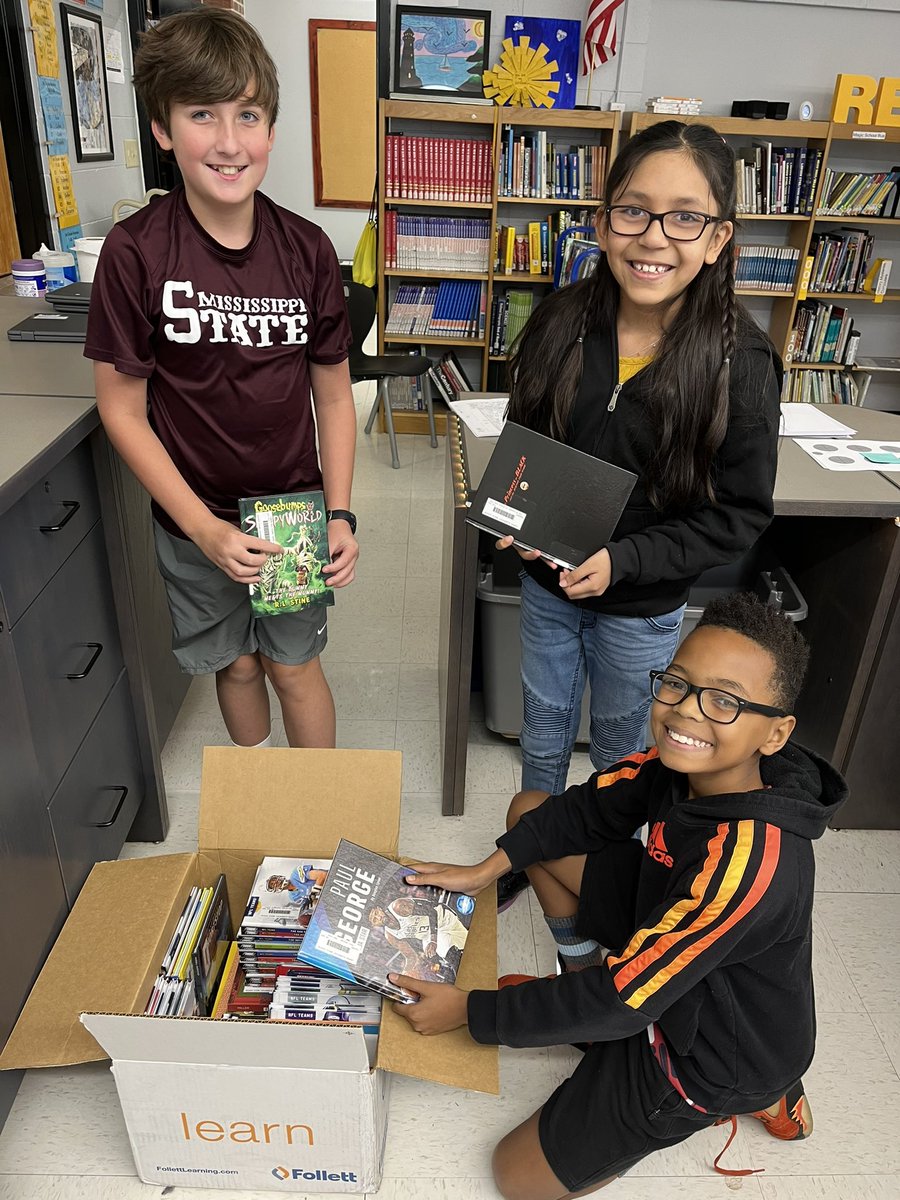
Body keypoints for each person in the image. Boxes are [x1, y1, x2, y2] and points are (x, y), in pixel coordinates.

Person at [389, 593, 847, 1200]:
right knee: (534, 814)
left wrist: (469, 1013)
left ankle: (762, 1093)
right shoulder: (676, 765)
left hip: (713, 1053)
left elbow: (625, 998)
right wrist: (483, 871)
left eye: (725, 701)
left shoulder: (751, 864)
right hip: (663, 945)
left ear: (776, 732)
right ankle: (577, 1005)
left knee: (517, 1177)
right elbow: (585, 808)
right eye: (677, 684)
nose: (686, 713)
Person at [495, 123, 782, 910]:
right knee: (545, 723)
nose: (653, 238)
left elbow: (738, 517)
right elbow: (526, 445)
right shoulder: (559, 322)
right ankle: (531, 846)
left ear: (719, 237)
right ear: (601, 222)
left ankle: (600, 863)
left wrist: (624, 563)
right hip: (548, 588)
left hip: (642, 608)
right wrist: (518, 526)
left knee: (624, 746)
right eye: (633, 212)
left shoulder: (740, 365)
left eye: (684, 217)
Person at [84, 8, 358, 750]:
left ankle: (314, 824)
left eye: (248, 114)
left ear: (271, 129)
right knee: (235, 667)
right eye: (202, 114)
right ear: (164, 129)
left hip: (291, 512)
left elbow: (333, 394)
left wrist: (339, 513)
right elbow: (122, 411)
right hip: (193, 513)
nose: (230, 141)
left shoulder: (305, 251)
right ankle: (261, 819)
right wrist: (204, 531)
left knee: (293, 666)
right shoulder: (136, 253)